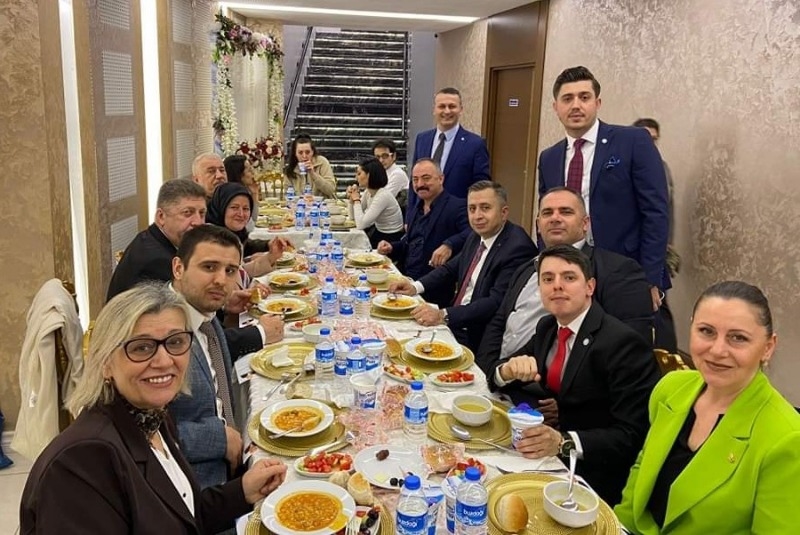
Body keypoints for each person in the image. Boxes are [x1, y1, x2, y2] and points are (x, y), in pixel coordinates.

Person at [19, 284, 287, 533]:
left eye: (175, 342)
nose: (164, 361)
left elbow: (182, 513)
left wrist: (241, 491)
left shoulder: (152, 417)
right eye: (142, 347)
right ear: (105, 363)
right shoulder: (81, 462)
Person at [615, 281, 800, 534]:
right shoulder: (671, 388)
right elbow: (640, 475)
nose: (717, 350)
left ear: (768, 348)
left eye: (738, 338)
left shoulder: (787, 438)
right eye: (706, 331)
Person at [495, 245, 660, 505]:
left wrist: (563, 442)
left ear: (590, 287)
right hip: (549, 450)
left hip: (596, 476)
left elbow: (632, 435)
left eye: (569, 277)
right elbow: (501, 370)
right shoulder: (548, 327)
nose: (557, 286)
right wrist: (506, 370)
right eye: (548, 279)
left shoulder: (621, 343)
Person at [476, 187, 654, 375]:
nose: (555, 218)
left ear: (585, 224)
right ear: (538, 225)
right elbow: (500, 321)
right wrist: (489, 372)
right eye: (547, 213)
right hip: (502, 376)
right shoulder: (526, 268)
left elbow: (630, 350)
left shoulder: (619, 271)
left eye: (566, 212)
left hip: (552, 386)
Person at [537, 66, 670, 314]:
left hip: (624, 272)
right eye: (567, 99)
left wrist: (650, 279)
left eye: (584, 97)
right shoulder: (549, 157)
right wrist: (544, 267)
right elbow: (545, 217)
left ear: (597, 103)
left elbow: (656, 213)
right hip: (568, 275)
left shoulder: (633, 141)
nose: (576, 105)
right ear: (556, 107)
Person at [168, 225, 281, 489]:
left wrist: (229, 316)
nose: (221, 280)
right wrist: (220, 439)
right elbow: (139, 433)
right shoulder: (159, 330)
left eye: (230, 271)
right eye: (209, 267)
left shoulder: (204, 315)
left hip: (230, 466)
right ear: (178, 268)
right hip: (192, 484)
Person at [388, 181, 537, 351]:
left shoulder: (517, 247)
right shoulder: (477, 235)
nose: (477, 216)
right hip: (456, 319)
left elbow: (495, 302)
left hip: (478, 335)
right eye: (472, 209)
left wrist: (443, 315)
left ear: (504, 213)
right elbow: (450, 268)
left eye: (485, 208)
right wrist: (415, 287)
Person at [377, 158, 470, 307]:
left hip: (433, 289)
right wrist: (392, 247)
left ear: (441, 179)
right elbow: (411, 242)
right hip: (404, 281)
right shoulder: (416, 207)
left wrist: (449, 245)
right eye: (415, 180)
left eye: (426, 178)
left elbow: (473, 234)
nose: (420, 184)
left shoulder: (457, 206)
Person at [107, 179, 206, 302]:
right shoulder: (156, 261)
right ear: (161, 217)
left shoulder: (151, 238)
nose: (198, 222)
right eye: (187, 213)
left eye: (202, 213)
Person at [633, 117, 678, 352]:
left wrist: (667, 243)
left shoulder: (662, 167)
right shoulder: (625, 165)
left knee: (659, 304)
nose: (650, 144)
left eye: (654, 139)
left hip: (655, 249)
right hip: (632, 247)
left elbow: (666, 210)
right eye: (645, 138)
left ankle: (667, 358)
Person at [409, 87, 490, 213]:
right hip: (423, 214)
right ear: (434, 109)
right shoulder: (422, 139)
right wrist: (410, 216)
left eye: (452, 106)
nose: (447, 111)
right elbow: (413, 179)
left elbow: (481, 187)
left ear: (461, 109)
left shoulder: (475, 144)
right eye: (442, 106)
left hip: (457, 216)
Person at [206, 182, 290, 281]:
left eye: (246, 209)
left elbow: (245, 248)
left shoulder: (234, 234)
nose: (241, 214)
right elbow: (235, 278)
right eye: (234, 207)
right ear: (221, 207)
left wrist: (268, 245)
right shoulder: (211, 239)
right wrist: (268, 258)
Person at [346, 157, 405, 248]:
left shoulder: (382, 195)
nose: (356, 177)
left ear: (369, 175)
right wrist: (351, 200)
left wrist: (356, 200)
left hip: (391, 239)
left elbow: (361, 225)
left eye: (359, 173)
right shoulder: (368, 191)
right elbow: (352, 217)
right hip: (379, 233)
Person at [283, 133, 336, 197]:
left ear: (312, 152)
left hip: (322, 202)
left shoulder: (322, 162)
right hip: (299, 202)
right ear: (295, 153)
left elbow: (330, 190)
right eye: (300, 153)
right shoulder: (290, 170)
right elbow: (286, 195)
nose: (304, 156)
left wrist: (313, 174)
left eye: (307, 152)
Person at [224, 154, 259, 232]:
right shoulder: (232, 195)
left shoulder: (244, 191)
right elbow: (249, 227)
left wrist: (254, 194)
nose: (253, 173)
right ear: (239, 174)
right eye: (249, 170)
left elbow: (254, 218)